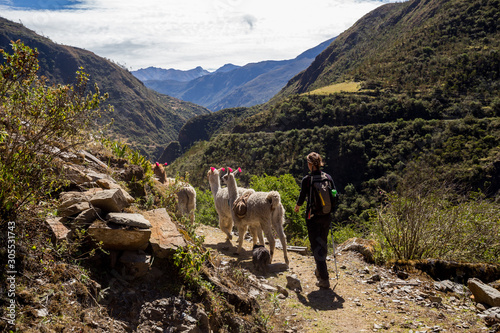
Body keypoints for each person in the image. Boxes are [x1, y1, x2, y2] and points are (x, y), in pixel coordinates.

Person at [294, 152, 335, 289]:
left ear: (310, 164)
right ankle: (320, 270)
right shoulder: (328, 177)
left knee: (316, 246)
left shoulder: (307, 179)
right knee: (322, 243)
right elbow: (335, 194)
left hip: (312, 217)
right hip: (326, 216)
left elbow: (302, 196)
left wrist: (297, 207)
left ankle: (324, 279)